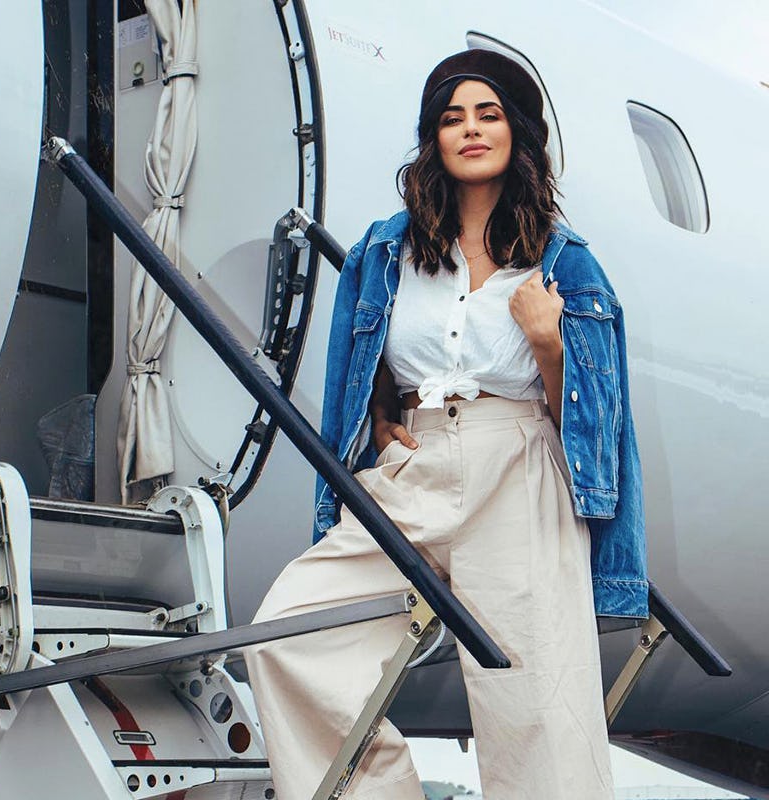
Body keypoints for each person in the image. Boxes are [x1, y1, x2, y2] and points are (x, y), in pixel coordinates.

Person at [244, 49, 649, 799]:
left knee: (537, 713)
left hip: (519, 465)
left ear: (518, 132)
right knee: (290, 632)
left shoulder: (565, 264)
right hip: (414, 464)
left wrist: (550, 345)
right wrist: (377, 408)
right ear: (432, 137)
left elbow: (595, 428)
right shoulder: (386, 251)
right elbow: (364, 363)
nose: (469, 130)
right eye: (451, 117)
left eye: (488, 114)